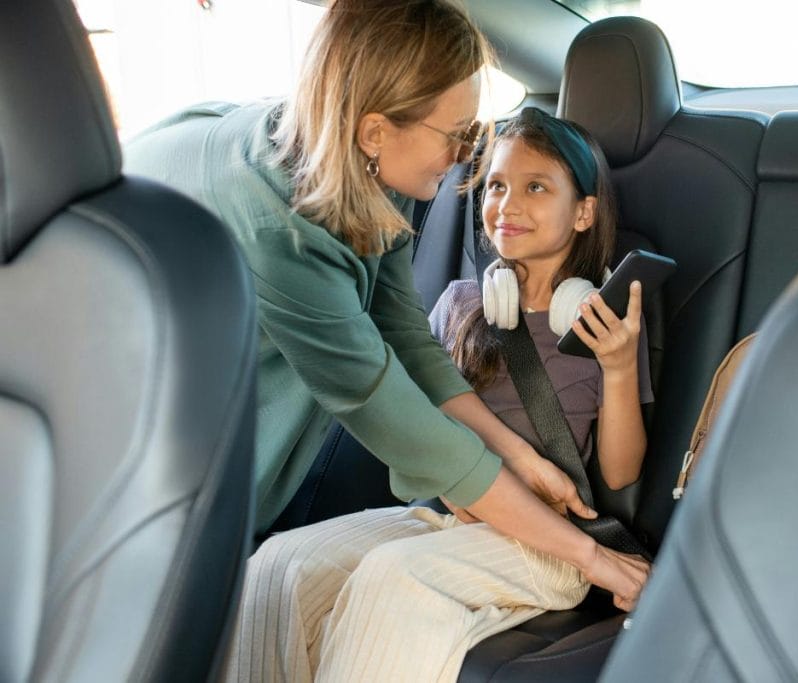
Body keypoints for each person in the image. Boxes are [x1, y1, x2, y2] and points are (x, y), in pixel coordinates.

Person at [124, 0, 647, 640]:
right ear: (375, 131)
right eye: (457, 135)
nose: (463, 158)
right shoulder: (277, 226)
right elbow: (384, 402)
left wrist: (515, 452)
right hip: (128, 419)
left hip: (512, 534)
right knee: (245, 584)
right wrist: (595, 558)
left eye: (472, 133)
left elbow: (401, 334)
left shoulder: (374, 165)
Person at [222, 106, 654, 683]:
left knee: (392, 578)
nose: (508, 203)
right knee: (279, 565)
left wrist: (620, 367)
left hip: (549, 544)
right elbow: (419, 415)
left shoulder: (603, 320)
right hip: (445, 518)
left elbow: (621, 475)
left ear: (583, 213)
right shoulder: (460, 303)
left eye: (536, 187)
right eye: (496, 185)